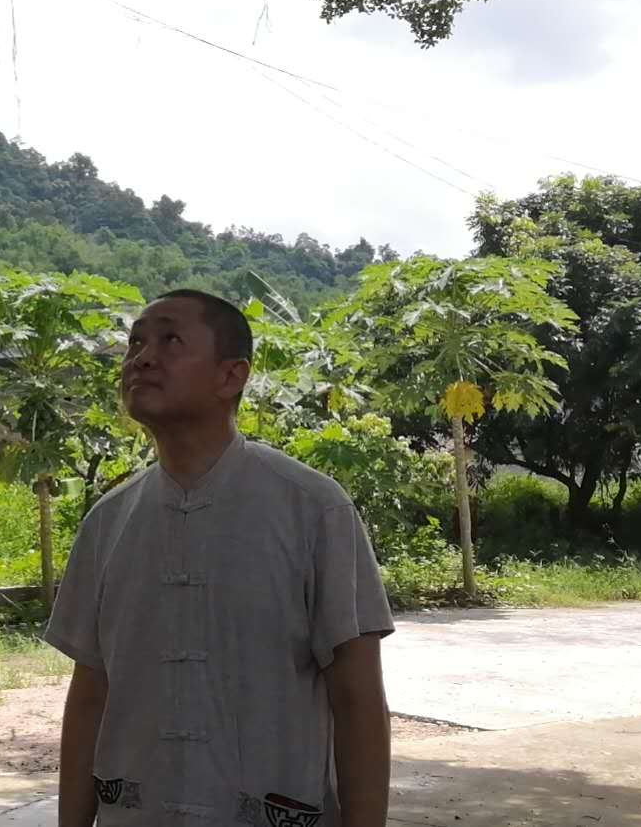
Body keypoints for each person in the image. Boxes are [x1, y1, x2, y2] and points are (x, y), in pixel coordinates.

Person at [47, 289, 395, 827]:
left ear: (231, 375)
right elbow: (91, 694)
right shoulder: (108, 522)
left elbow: (357, 699)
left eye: (170, 340)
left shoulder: (313, 509)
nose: (142, 358)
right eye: (135, 342)